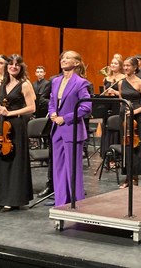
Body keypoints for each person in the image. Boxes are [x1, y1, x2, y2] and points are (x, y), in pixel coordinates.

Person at [0, 54, 36, 211]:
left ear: (21, 67)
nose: (14, 66)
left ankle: (13, 199)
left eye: (17, 64)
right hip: (2, 125)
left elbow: (32, 108)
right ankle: (1, 197)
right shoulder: (2, 84)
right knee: (1, 161)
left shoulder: (25, 84)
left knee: (15, 162)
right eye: (11, 64)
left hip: (16, 125)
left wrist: (9, 113)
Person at [48, 51, 91, 206]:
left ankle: (76, 202)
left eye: (68, 58)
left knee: (73, 169)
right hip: (56, 129)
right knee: (58, 169)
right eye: (62, 58)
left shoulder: (81, 83)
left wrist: (65, 118)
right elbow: (52, 101)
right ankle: (60, 202)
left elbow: (86, 107)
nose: (63, 60)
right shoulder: (55, 81)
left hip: (71, 130)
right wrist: (52, 112)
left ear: (77, 63)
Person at [118, 56, 141, 188]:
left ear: (135, 67)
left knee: (136, 148)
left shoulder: (140, 83)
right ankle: (127, 177)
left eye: (128, 66)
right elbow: (122, 99)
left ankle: (135, 177)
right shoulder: (120, 82)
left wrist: (134, 112)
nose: (126, 68)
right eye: (124, 65)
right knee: (126, 147)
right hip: (124, 117)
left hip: (137, 117)